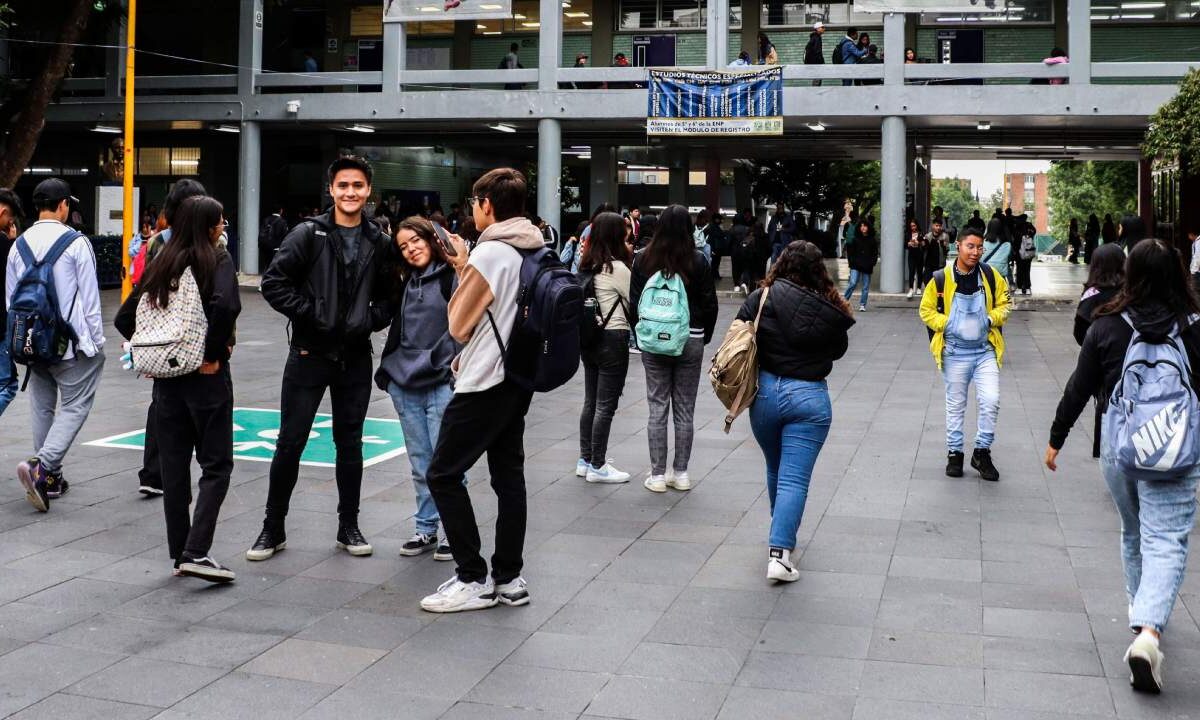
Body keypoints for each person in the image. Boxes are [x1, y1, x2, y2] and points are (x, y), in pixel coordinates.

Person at [1044, 238, 1200, 694]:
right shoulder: (1193, 327)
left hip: (1120, 446)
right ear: (1178, 274)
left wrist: (1056, 439)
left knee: (1133, 532)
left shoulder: (1107, 324)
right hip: (1175, 447)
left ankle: (1141, 622)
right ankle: (1150, 631)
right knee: (1166, 539)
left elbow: (1080, 385)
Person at [249, 156, 391, 562]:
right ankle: (272, 527)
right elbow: (273, 283)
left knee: (350, 444)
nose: (350, 192)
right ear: (331, 190)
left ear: (368, 192)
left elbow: (389, 296)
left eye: (358, 186)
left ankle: (349, 525)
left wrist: (368, 320)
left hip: (355, 357)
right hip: (309, 354)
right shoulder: (307, 234)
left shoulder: (378, 241)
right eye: (343, 185)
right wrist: (313, 314)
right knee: (290, 442)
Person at [419, 168, 542, 613]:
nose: (473, 211)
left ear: (487, 204)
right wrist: (464, 265)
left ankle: (472, 577)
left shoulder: (490, 253)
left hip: (484, 378)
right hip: (516, 377)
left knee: (443, 473)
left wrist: (464, 267)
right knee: (509, 477)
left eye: (474, 203)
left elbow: (458, 323)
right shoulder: (531, 245)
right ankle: (509, 577)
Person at [115, 195, 241, 583]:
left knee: (173, 470)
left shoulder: (162, 261)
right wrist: (213, 353)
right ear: (208, 226)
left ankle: (178, 553)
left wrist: (155, 354)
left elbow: (124, 317)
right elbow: (227, 306)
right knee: (216, 465)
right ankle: (197, 550)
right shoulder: (217, 259)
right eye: (220, 221)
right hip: (206, 381)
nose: (223, 228)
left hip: (166, 385)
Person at [743, 240, 854, 583]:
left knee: (776, 469)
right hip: (808, 398)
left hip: (763, 395)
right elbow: (838, 350)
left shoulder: (760, 298)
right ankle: (780, 553)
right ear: (819, 269)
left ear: (780, 263)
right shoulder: (829, 307)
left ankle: (781, 534)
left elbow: (738, 335)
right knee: (794, 477)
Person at [7, 179, 106, 512]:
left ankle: (50, 478)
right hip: (67, 343)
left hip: (30, 343)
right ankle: (42, 466)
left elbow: (10, 302)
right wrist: (96, 342)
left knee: (42, 406)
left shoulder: (18, 244)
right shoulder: (76, 243)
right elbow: (90, 299)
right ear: (63, 205)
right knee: (76, 403)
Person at [376, 216, 460, 561]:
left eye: (416, 241)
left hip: (441, 382)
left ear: (431, 239)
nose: (411, 249)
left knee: (447, 463)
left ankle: (454, 531)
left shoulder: (453, 277)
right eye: (403, 246)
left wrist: (448, 367)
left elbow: (463, 328)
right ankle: (426, 527)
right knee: (419, 461)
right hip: (405, 383)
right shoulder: (404, 281)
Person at [630, 204, 719, 494]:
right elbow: (710, 304)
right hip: (690, 338)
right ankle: (680, 473)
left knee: (657, 406)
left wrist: (641, 334)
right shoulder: (698, 260)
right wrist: (703, 337)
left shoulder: (642, 259)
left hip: (653, 341)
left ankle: (656, 475)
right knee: (685, 409)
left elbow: (634, 303)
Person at [133, 181, 209, 498]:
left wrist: (144, 342)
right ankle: (198, 473)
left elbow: (137, 301)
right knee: (197, 411)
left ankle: (154, 473)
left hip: (161, 342)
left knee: (161, 406)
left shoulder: (156, 245)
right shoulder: (209, 247)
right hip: (193, 344)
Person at [920, 228, 1010, 482]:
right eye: (970, 246)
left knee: (991, 400)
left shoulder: (991, 276)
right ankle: (955, 453)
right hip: (954, 352)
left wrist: (992, 317)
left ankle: (982, 452)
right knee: (956, 406)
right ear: (958, 246)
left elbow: (1005, 303)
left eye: (979, 247)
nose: (975, 252)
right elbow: (926, 311)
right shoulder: (940, 279)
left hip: (985, 352)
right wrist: (948, 324)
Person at [576, 211, 632, 483]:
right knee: (605, 406)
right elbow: (635, 301)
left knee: (590, 402)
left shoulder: (586, 266)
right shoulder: (617, 268)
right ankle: (598, 465)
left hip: (589, 339)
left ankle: (585, 459)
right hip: (612, 338)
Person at [1073, 243, 1125, 459]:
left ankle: (1109, 454)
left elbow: (1079, 333)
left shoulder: (1091, 295)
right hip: (1130, 362)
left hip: (1102, 365)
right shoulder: (1131, 292)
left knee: (1106, 409)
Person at [0, 188, 22, 417]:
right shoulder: (4, 244)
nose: (10, 223)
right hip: (0, 326)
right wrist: (12, 242)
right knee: (7, 385)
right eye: (10, 219)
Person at [843, 219, 877, 311]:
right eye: (861, 226)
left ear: (868, 227)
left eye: (865, 225)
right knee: (853, 283)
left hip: (867, 266)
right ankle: (843, 301)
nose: (863, 227)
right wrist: (852, 262)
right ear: (859, 227)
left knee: (865, 286)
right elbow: (850, 253)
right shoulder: (855, 238)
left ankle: (862, 304)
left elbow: (875, 253)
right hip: (855, 265)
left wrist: (872, 263)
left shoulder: (872, 240)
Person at [259, 206, 289, 273]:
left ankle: (265, 280)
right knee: (275, 267)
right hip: (276, 248)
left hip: (265, 247)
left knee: (267, 265)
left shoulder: (266, 219)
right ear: (281, 211)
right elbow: (285, 236)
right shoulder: (282, 221)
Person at [924, 217, 950, 288]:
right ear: (933, 226)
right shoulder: (928, 236)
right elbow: (924, 249)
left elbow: (947, 250)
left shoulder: (945, 236)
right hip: (928, 264)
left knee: (939, 283)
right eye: (936, 225)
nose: (938, 227)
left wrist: (944, 245)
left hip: (940, 264)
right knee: (927, 282)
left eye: (940, 226)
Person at [1014, 214, 1036, 295]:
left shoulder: (1017, 227)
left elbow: (1015, 240)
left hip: (1019, 253)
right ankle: (1027, 287)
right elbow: (1034, 232)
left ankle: (1020, 287)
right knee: (1027, 270)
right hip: (1028, 252)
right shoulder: (1029, 226)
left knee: (1019, 269)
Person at [905, 219, 925, 298]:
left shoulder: (921, 233)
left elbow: (924, 244)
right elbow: (905, 244)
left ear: (917, 225)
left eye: (914, 225)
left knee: (919, 271)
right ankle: (911, 289)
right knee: (911, 271)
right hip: (911, 255)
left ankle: (919, 288)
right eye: (911, 226)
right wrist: (909, 243)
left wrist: (919, 243)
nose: (912, 227)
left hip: (919, 254)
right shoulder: (908, 234)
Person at [804, 22, 826, 86]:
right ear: (818, 28)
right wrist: (821, 62)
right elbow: (817, 52)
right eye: (822, 27)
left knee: (816, 80)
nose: (824, 29)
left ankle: (814, 93)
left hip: (815, 63)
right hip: (817, 64)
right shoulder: (816, 38)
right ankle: (814, 94)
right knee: (817, 80)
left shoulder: (814, 37)